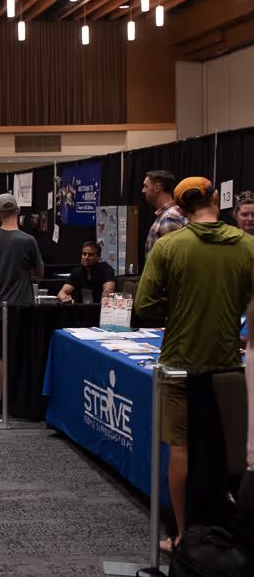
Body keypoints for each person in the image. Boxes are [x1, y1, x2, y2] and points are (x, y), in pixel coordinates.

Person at [136, 177, 254, 553]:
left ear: (181, 208)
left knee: (182, 449)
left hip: (180, 363)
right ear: (217, 199)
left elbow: (145, 306)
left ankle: (184, 535)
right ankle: (234, 534)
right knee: (233, 452)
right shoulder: (248, 246)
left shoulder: (169, 246)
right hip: (229, 365)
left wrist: (182, 306)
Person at [0, 193, 43, 414]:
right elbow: (39, 272)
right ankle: (20, 399)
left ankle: (0, 399)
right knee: (21, 352)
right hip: (23, 305)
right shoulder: (28, 240)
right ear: (18, 210)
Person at [142, 170, 188, 260]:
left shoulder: (169, 218)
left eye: (146, 186)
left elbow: (172, 260)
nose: (143, 191)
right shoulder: (167, 215)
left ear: (156, 187)